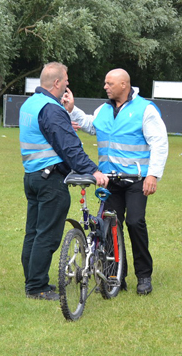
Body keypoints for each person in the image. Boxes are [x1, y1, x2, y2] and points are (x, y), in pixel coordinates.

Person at [64, 68, 169, 295]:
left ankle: (144, 276)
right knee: (109, 226)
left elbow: (159, 143)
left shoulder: (145, 109)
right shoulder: (104, 109)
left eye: (109, 83)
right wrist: (73, 110)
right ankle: (115, 275)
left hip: (136, 179)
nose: (105, 86)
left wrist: (153, 175)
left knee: (134, 222)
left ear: (124, 85)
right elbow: (92, 126)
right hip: (110, 180)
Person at [19, 62, 108, 301]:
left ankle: (32, 278)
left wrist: (65, 117)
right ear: (57, 83)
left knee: (33, 232)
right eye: (66, 81)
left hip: (33, 176)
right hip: (51, 180)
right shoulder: (51, 109)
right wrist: (93, 171)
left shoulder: (30, 104)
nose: (68, 85)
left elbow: (48, 135)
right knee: (47, 235)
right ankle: (37, 286)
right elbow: (69, 148)